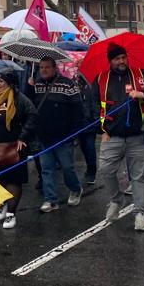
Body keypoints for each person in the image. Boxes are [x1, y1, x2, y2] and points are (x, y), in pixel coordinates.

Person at [92, 42, 144, 231]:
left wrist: (142, 94)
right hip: (111, 136)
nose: (121, 61)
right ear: (110, 61)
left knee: (139, 176)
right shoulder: (100, 78)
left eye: (123, 57)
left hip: (137, 135)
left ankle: (140, 213)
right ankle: (116, 200)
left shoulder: (141, 74)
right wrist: (101, 130)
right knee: (106, 170)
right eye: (117, 59)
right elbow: (92, 106)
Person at [0, 67, 37, 230]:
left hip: (10, 146)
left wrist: (22, 137)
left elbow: (32, 115)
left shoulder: (19, 98)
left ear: (10, 83)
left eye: (1, 81)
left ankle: (11, 213)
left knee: (13, 180)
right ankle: (4, 202)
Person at [30, 56, 85, 213]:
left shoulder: (68, 85)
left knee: (67, 167)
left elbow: (78, 110)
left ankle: (75, 188)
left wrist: (74, 133)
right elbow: (31, 106)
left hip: (64, 136)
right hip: (44, 135)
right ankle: (51, 199)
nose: (44, 70)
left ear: (55, 68)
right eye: (41, 67)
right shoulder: (36, 84)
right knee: (47, 169)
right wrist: (28, 87)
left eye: (47, 67)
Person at [75, 75, 99, 184]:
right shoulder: (74, 83)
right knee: (83, 147)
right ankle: (89, 169)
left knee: (89, 148)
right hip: (79, 123)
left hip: (89, 122)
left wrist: (95, 120)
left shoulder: (91, 85)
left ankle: (92, 172)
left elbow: (94, 103)